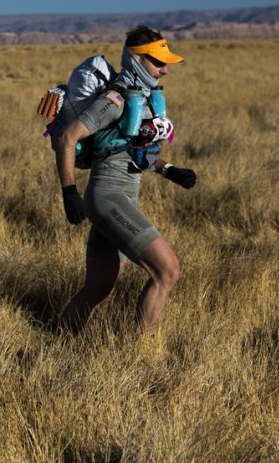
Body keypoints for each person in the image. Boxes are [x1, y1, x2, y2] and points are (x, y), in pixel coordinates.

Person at [55, 26, 197, 334]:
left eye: (165, 63)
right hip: (108, 198)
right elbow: (67, 137)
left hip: (121, 197)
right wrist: (69, 193)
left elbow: (130, 151)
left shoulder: (141, 101)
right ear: (136, 59)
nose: (165, 70)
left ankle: (59, 340)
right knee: (167, 271)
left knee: (98, 287)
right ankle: (141, 352)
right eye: (158, 62)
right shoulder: (115, 100)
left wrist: (169, 170)